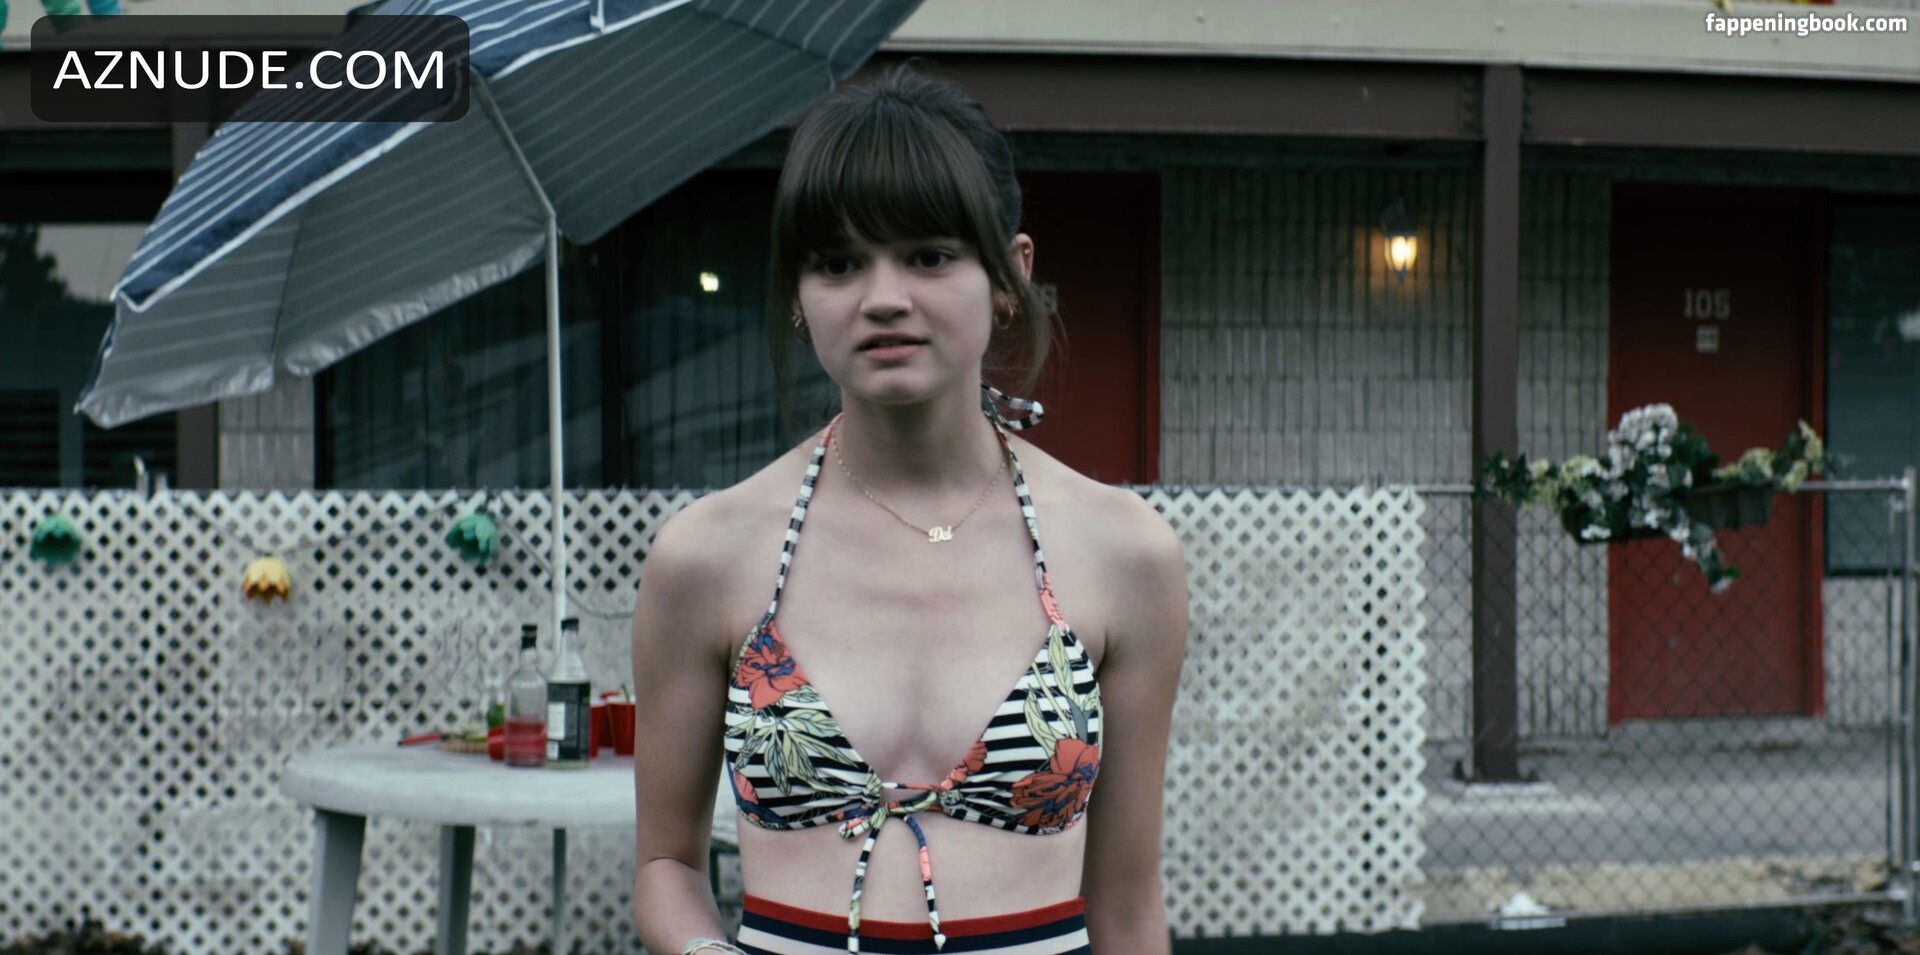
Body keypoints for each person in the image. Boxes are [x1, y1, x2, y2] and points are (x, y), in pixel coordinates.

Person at [630, 65, 1189, 955]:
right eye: (837, 262)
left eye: (928, 255)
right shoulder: (710, 554)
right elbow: (666, 864)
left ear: (1010, 274)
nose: (883, 296)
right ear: (799, 295)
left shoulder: (1123, 552)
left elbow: (1126, 905)